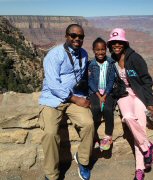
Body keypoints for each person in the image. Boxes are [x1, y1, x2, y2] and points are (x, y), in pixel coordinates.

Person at [38, 24, 94, 180]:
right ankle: (51, 175)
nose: (77, 39)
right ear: (66, 36)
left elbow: (83, 75)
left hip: (73, 97)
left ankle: (82, 160)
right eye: (73, 35)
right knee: (50, 134)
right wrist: (76, 99)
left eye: (80, 37)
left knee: (88, 124)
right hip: (53, 98)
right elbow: (53, 85)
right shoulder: (54, 55)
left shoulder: (83, 54)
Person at [107, 28, 153, 180]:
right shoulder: (111, 61)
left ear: (124, 43)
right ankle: (148, 147)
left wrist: (150, 102)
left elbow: (147, 80)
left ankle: (139, 170)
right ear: (110, 44)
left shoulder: (135, 58)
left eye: (119, 42)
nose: (117, 45)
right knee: (128, 117)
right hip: (124, 95)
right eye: (114, 42)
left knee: (139, 129)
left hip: (139, 95)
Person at [88, 37, 116, 151]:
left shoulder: (110, 63)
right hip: (95, 92)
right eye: (97, 50)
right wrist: (99, 96)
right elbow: (90, 81)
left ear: (106, 50)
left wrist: (105, 95)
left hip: (108, 92)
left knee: (108, 109)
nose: (100, 52)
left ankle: (108, 136)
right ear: (94, 50)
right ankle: (94, 136)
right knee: (95, 108)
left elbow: (111, 80)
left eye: (103, 49)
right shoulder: (91, 64)